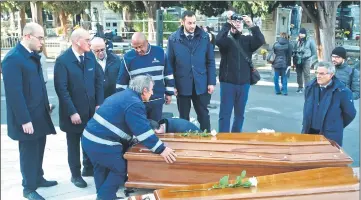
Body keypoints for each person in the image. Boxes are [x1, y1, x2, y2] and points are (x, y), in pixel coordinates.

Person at [82, 75, 177, 200]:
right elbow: (143, 131)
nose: (152, 92)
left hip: (89, 139)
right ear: (144, 90)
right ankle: (104, 196)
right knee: (120, 168)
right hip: (101, 142)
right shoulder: (135, 104)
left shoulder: (125, 95)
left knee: (101, 168)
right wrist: (161, 149)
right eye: (151, 89)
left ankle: (104, 195)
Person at [2, 22, 57, 200]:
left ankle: (38, 178)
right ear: (27, 36)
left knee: (39, 147)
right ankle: (28, 187)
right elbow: (14, 94)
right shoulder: (13, 59)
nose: (43, 41)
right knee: (28, 151)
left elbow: (40, 85)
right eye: (40, 37)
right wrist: (24, 120)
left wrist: (46, 105)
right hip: (27, 117)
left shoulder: (33, 56)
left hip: (39, 113)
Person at [54, 28, 104, 188]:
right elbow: (61, 89)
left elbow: (98, 80)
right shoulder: (63, 61)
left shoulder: (90, 57)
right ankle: (75, 175)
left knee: (89, 140)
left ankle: (88, 168)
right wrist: (72, 111)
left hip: (91, 111)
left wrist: (99, 103)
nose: (90, 43)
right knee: (73, 144)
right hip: (73, 113)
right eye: (87, 40)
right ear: (77, 41)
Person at [215, 10, 265, 133]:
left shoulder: (247, 40)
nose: (237, 23)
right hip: (228, 83)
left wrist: (251, 25)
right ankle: (224, 138)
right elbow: (218, 40)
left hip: (244, 83)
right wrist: (227, 23)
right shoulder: (226, 41)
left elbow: (260, 40)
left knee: (240, 114)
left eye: (239, 22)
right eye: (235, 22)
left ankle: (236, 136)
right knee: (225, 114)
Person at [167, 10, 216, 132]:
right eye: (189, 23)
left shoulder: (204, 37)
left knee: (204, 115)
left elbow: (210, 61)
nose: (193, 26)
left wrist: (211, 82)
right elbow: (169, 64)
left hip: (201, 84)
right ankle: (185, 142)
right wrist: (171, 85)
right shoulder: (173, 39)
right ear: (182, 22)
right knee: (184, 117)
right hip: (182, 84)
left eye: (194, 22)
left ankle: (206, 139)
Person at [116, 32, 175, 121]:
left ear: (147, 42)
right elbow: (121, 81)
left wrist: (169, 93)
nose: (138, 50)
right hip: (137, 103)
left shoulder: (160, 52)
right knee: (139, 129)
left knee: (156, 127)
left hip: (157, 100)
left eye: (141, 46)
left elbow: (168, 74)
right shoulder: (127, 57)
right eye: (135, 48)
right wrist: (122, 101)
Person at [301, 62, 356, 146]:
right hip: (309, 131)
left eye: (322, 73)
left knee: (327, 158)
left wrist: (335, 125)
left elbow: (350, 114)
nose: (318, 76)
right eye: (317, 73)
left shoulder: (342, 91)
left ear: (331, 75)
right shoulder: (310, 87)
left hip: (329, 134)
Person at [293, 28, 317, 93]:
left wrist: (311, 58)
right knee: (299, 74)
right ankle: (300, 87)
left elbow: (314, 51)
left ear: (305, 34)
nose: (301, 35)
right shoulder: (297, 40)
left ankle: (307, 88)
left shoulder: (310, 40)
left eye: (302, 33)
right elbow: (294, 48)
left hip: (306, 59)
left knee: (307, 74)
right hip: (298, 59)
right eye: (300, 33)